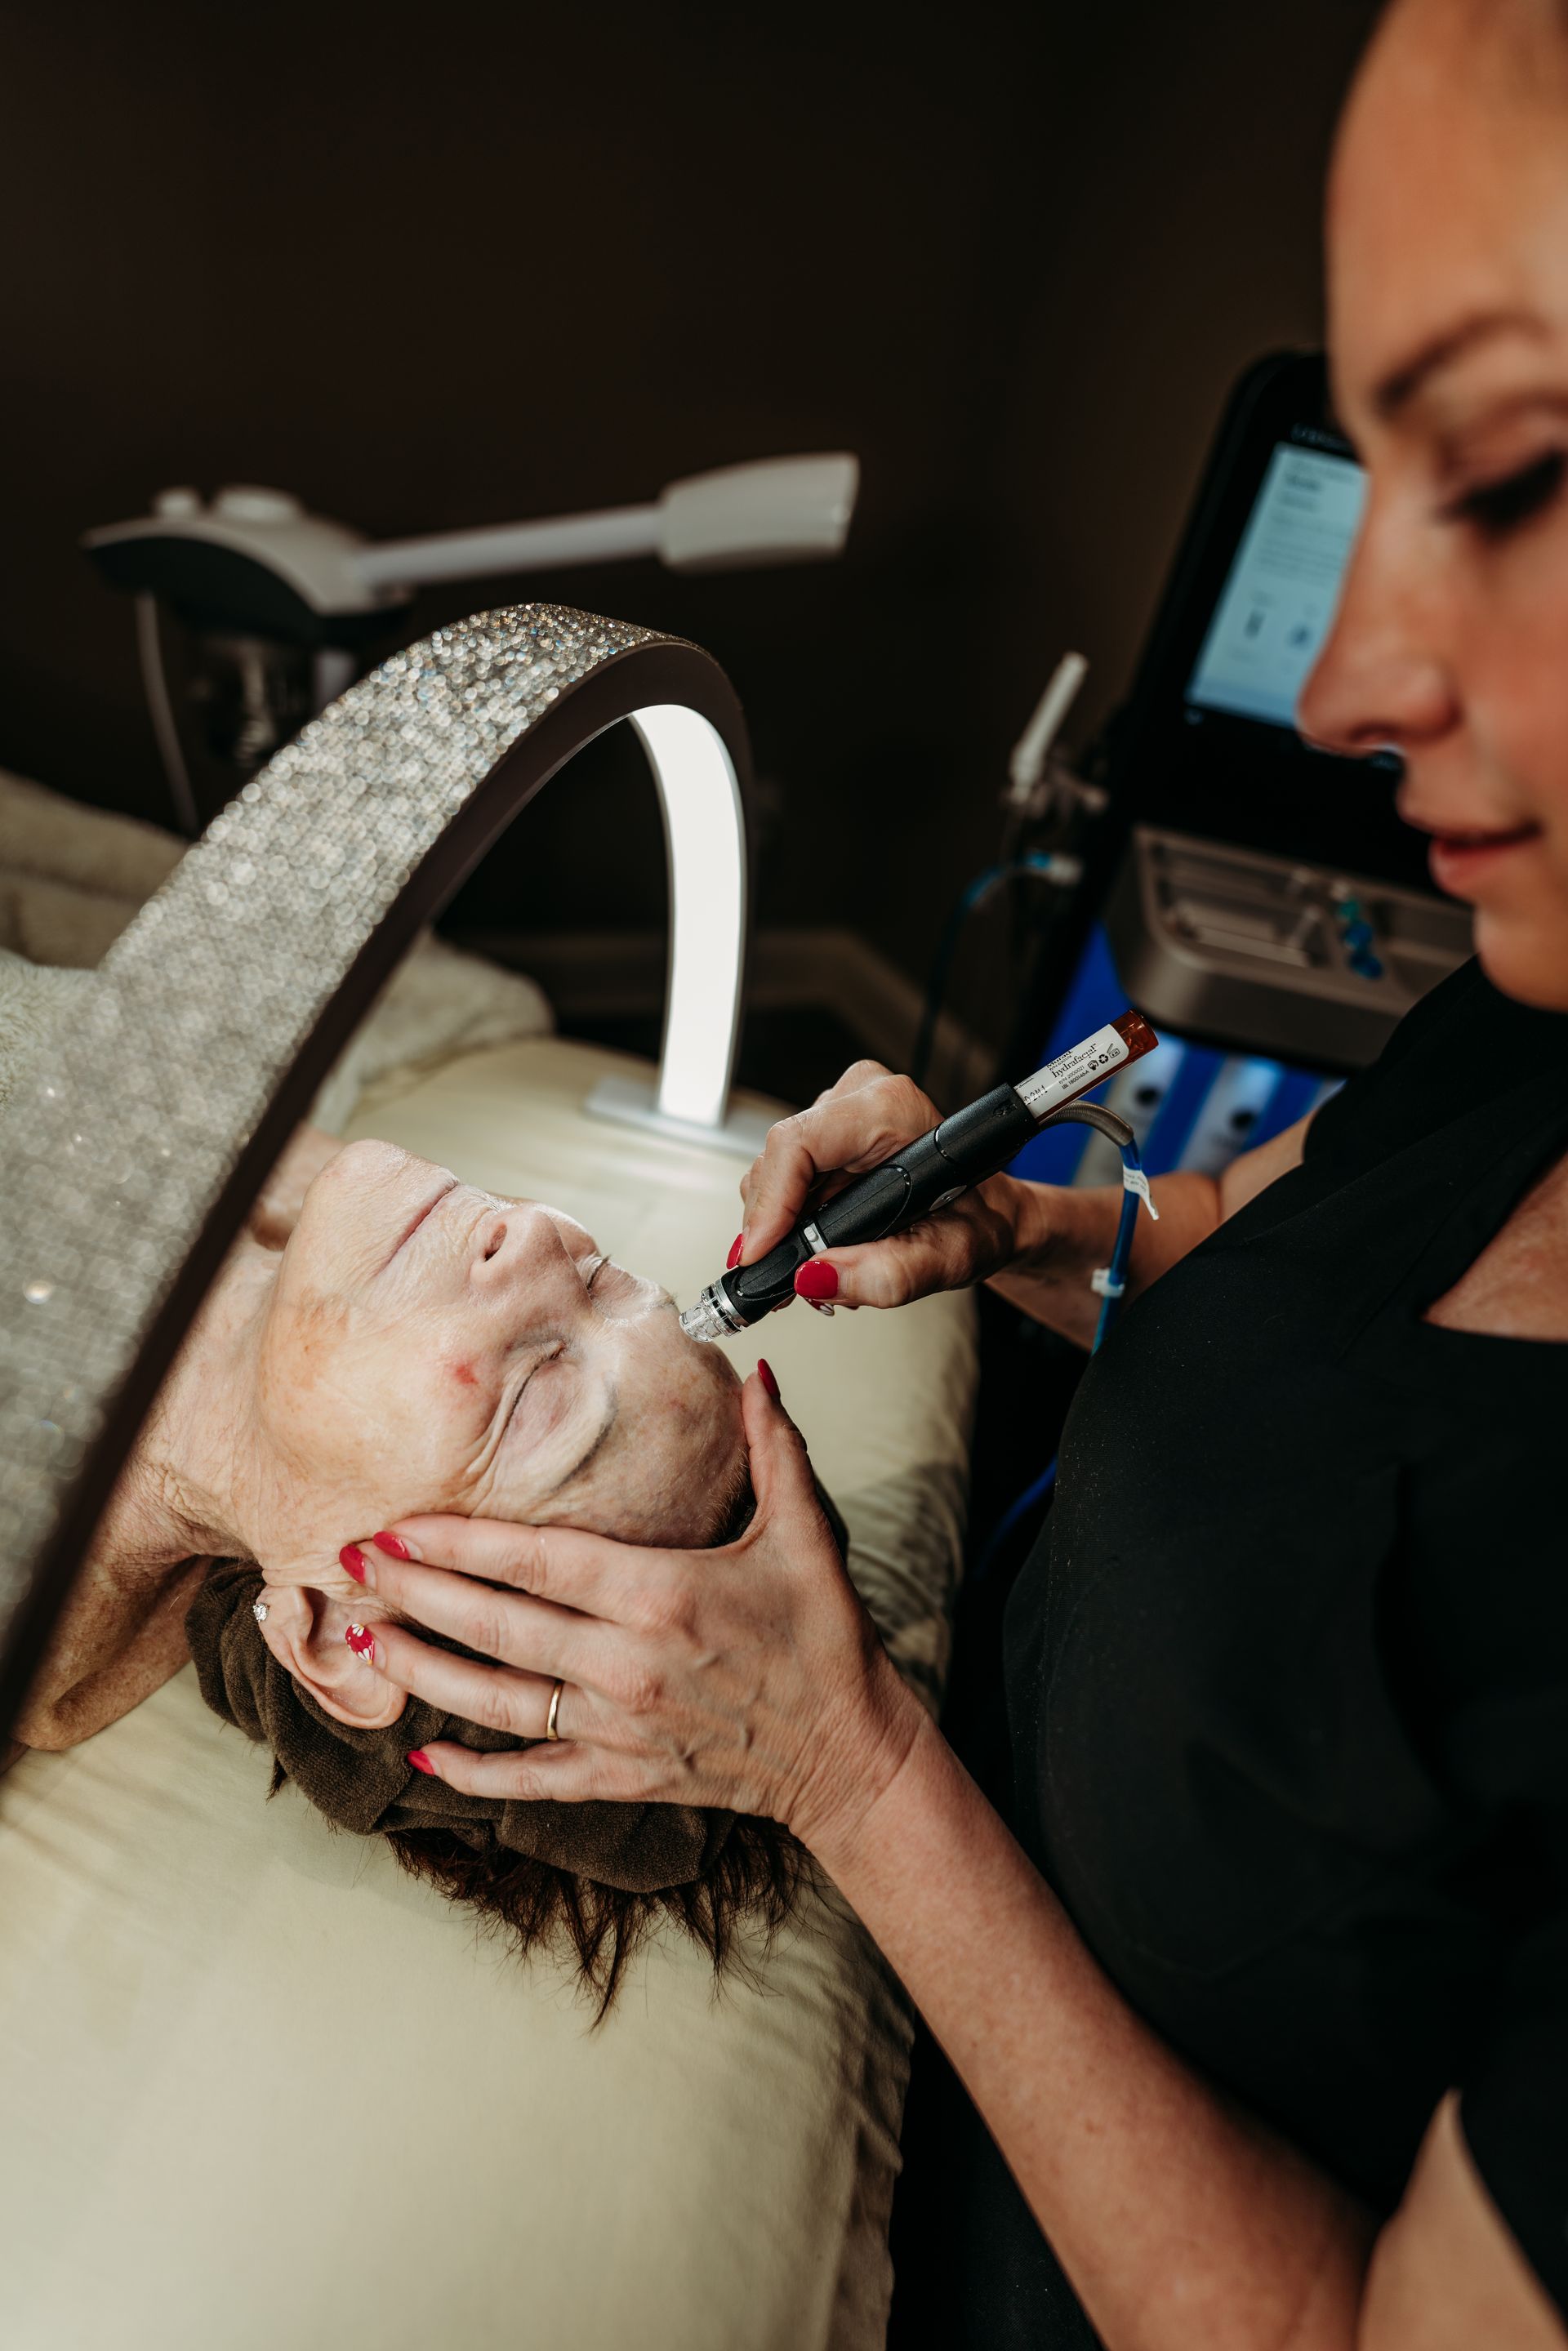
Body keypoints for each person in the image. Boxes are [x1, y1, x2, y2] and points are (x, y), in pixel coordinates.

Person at [336, 2, 1568, 2343]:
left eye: (1508, 473)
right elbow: (1297, 1236)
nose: (1342, 690)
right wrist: (1036, 1221)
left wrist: (855, 1761)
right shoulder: (1540, 993)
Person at [17, 1129, 792, 2003]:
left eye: (536, 1393)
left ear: (349, 1641)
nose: (537, 1228)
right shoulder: (277, 1179)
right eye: (602, 1276)